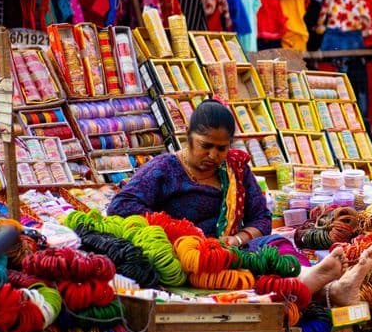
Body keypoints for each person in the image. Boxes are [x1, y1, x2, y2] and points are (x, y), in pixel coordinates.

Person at [108, 99, 271, 246]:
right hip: (175, 257)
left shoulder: (236, 169)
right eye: (205, 146)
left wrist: (237, 239)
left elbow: (262, 218)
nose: (213, 155)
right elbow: (121, 206)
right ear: (188, 135)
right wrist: (179, 231)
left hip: (226, 256)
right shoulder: (164, 168)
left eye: (222, 148)